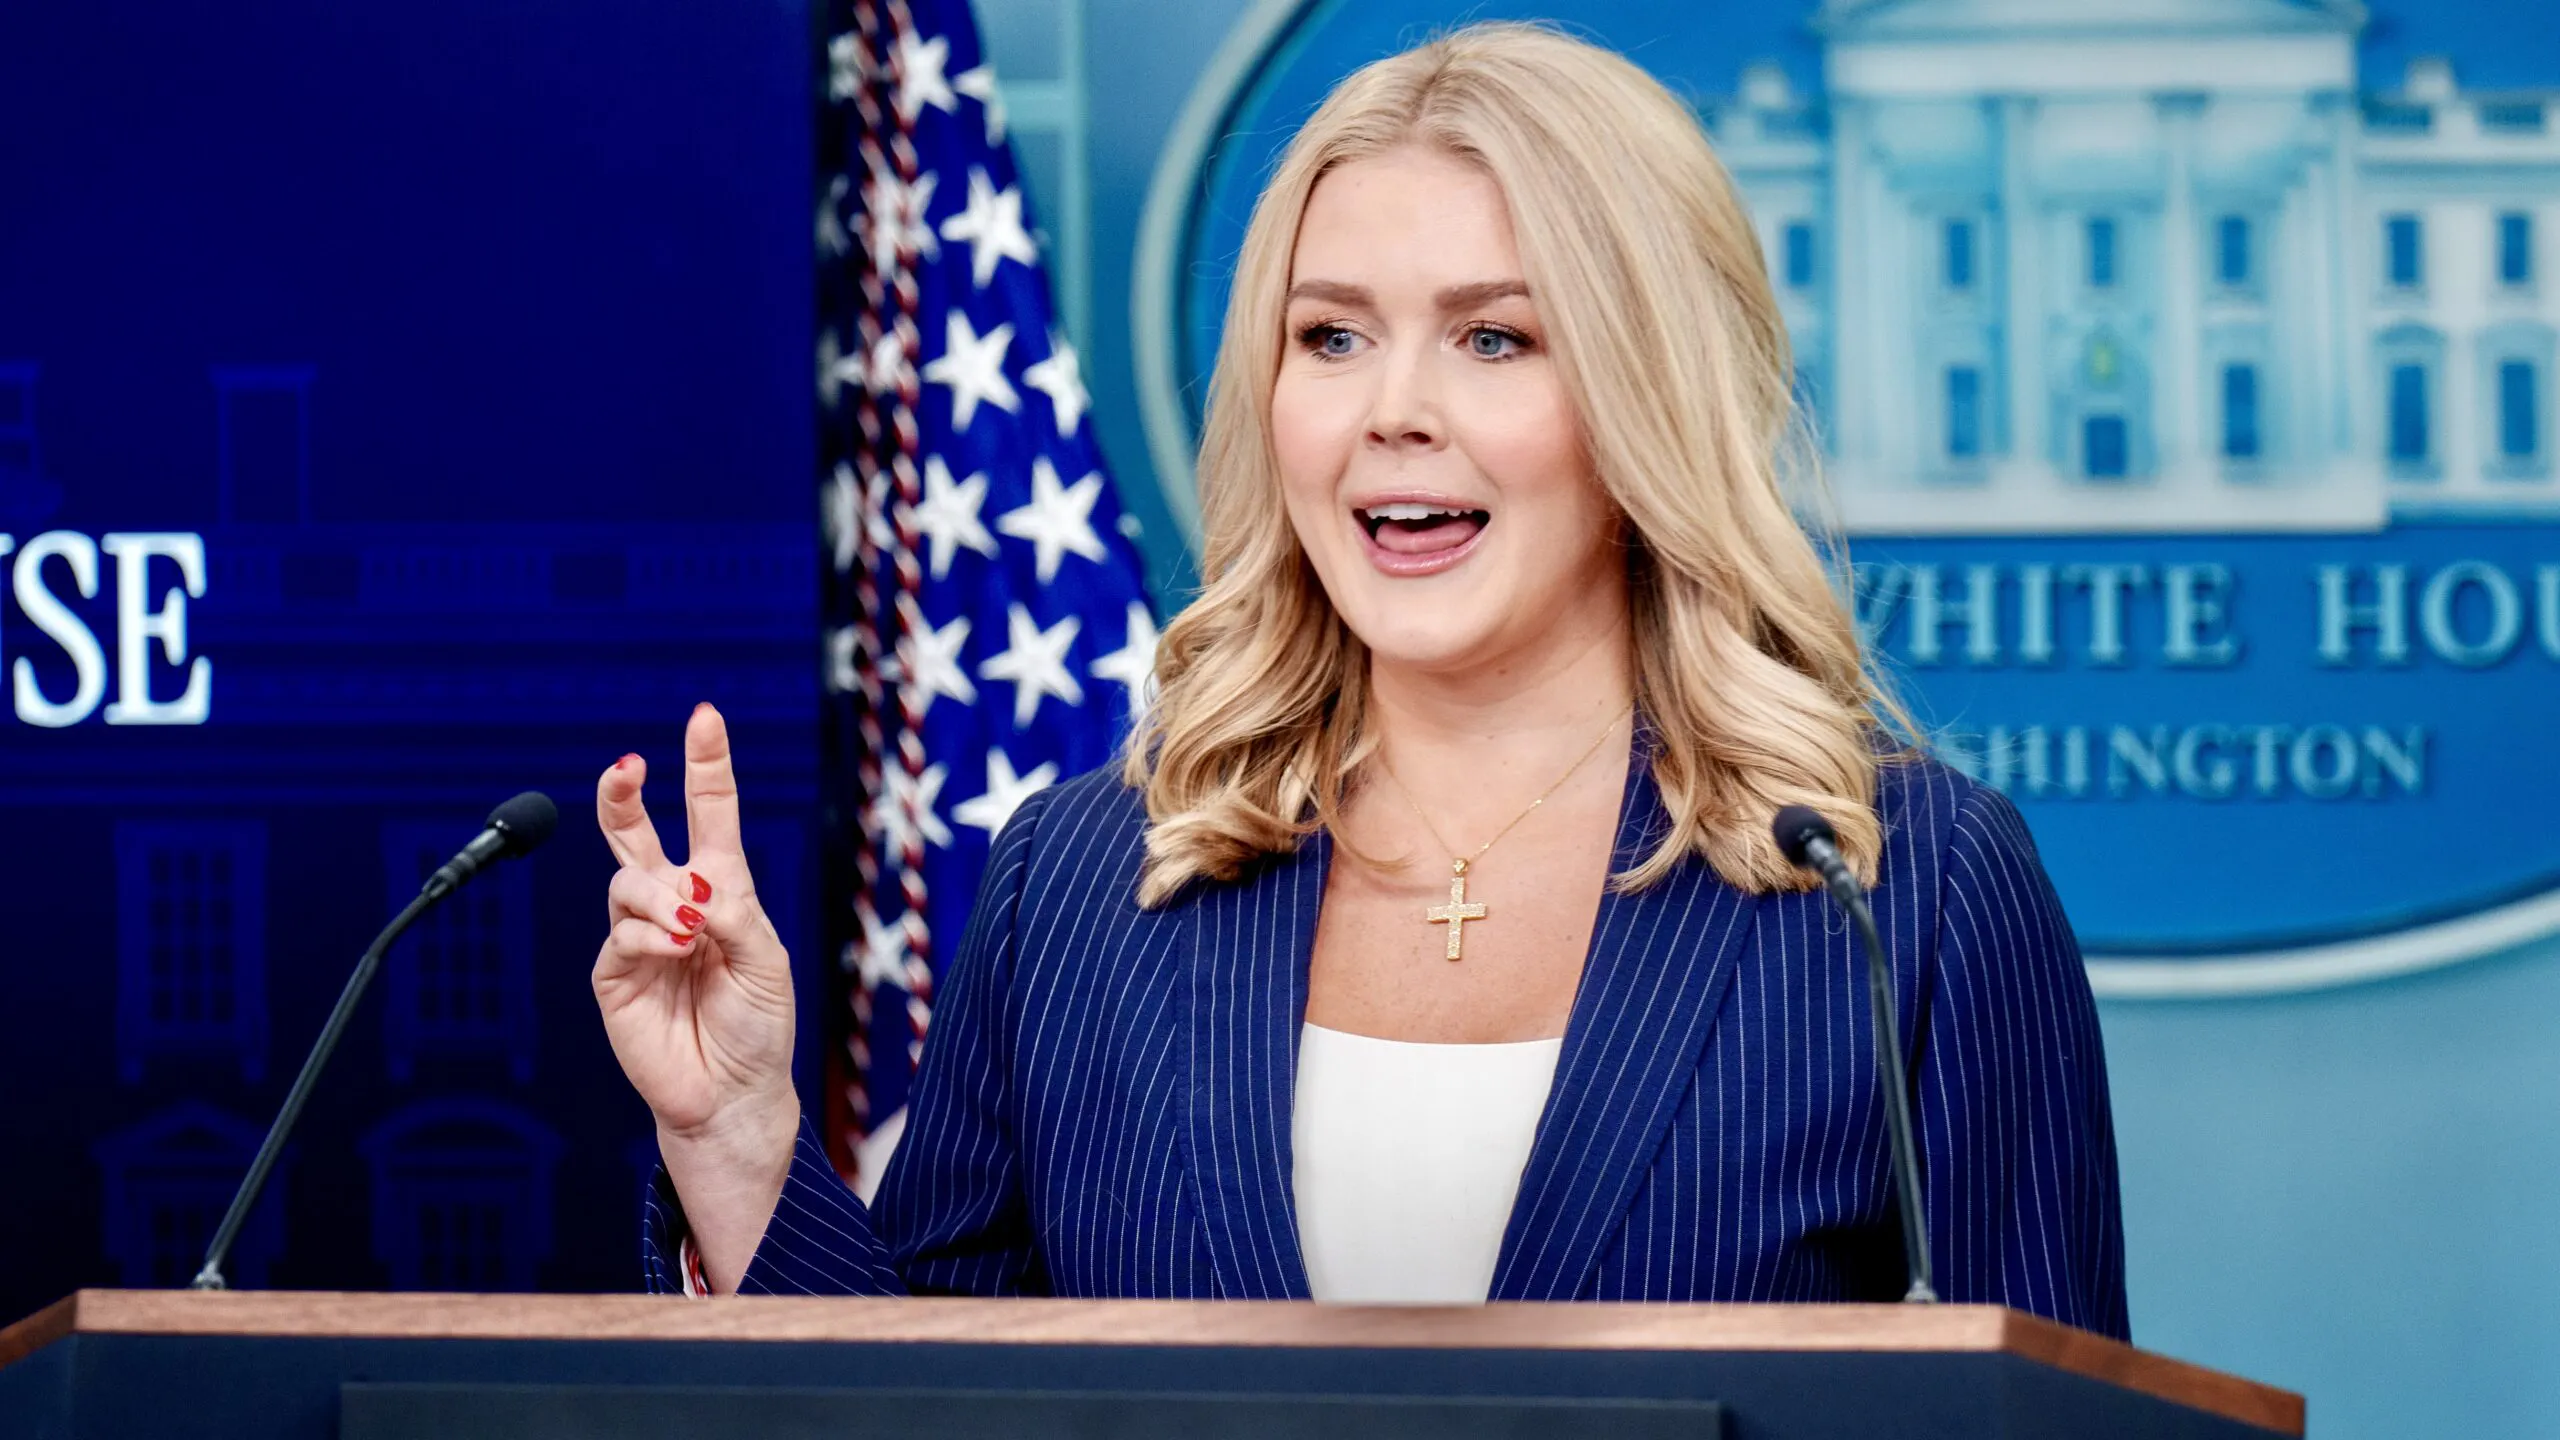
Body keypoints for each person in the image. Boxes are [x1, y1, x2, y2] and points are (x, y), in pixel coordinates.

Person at [591, 21, 2128, 1334]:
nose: (1394, 409)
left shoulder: (1903, 889)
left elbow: (2046, 1420)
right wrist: (738, 1138)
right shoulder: (1081, 882)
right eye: (1330, 337)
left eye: (1495, 339)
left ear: (1650, 398)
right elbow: (929, 1411)